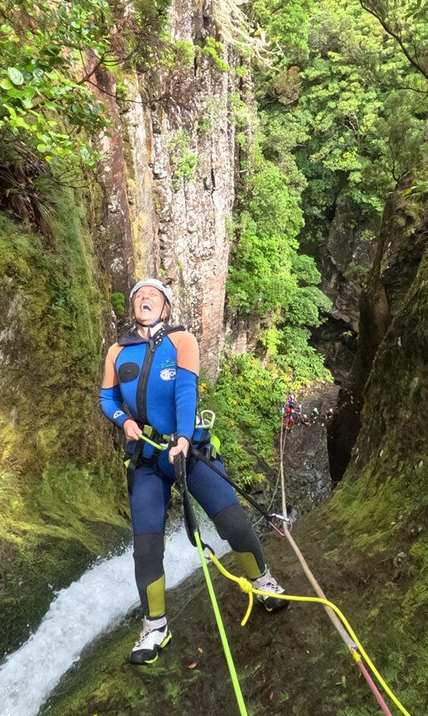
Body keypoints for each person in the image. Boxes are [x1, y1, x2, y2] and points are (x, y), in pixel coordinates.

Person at [99, 278, 288, 665]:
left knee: (232, 520)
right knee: (146, 546)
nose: (145, 298)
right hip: (148, 459)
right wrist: (123, 420)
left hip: (190, 449)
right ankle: (155, 626)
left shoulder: (182, 341)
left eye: (153, 295)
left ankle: (262, 582)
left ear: (166, 308)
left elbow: (186, 392)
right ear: (133, 307)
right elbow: (107, 396)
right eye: (139, 295)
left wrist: (183, 439)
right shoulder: (117, 351)